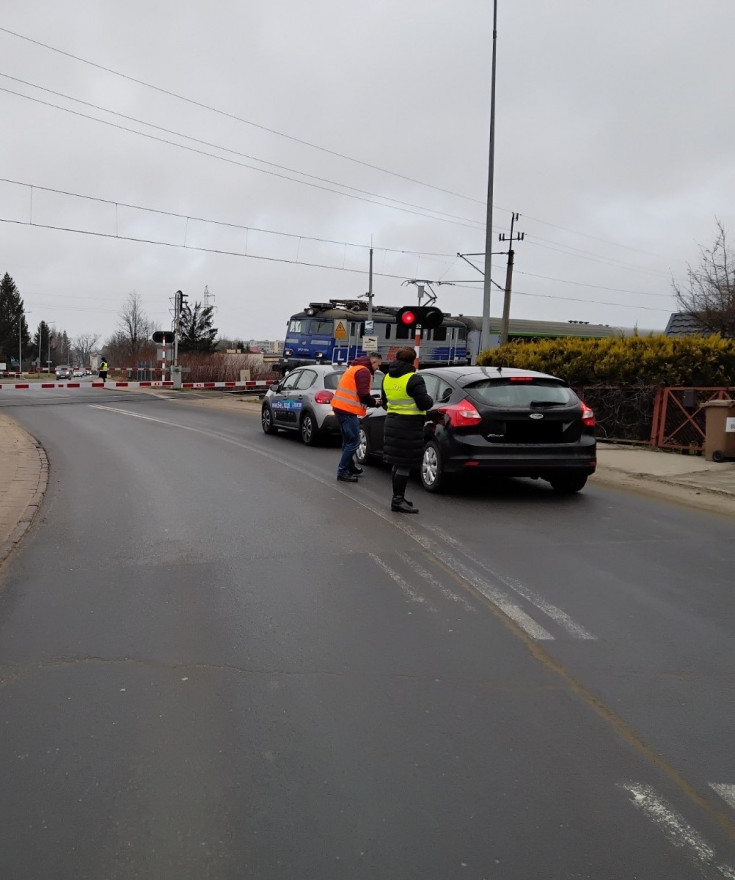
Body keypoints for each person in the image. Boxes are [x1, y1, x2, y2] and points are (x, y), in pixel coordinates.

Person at [381, 347, 434, 513]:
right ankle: (397, 501)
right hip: (409, 427)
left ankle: (398, 497)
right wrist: (430, 398)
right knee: (405, 464)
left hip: (392, 423)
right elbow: (425, 403)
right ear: (413, 360)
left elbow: (384, 402)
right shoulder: (414, 379)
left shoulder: (387, 378)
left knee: (397, 463)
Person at [332, 351, 383, 482]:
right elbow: (363, 394)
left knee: (348, 441)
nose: (378, 368)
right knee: (354, 441)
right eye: (378, 365)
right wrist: (374, 402)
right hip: (347, 410)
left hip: (340, 407)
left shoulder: (355, 368)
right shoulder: (364, 371)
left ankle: (349, 466)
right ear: (373, 362)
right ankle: (342, 471)